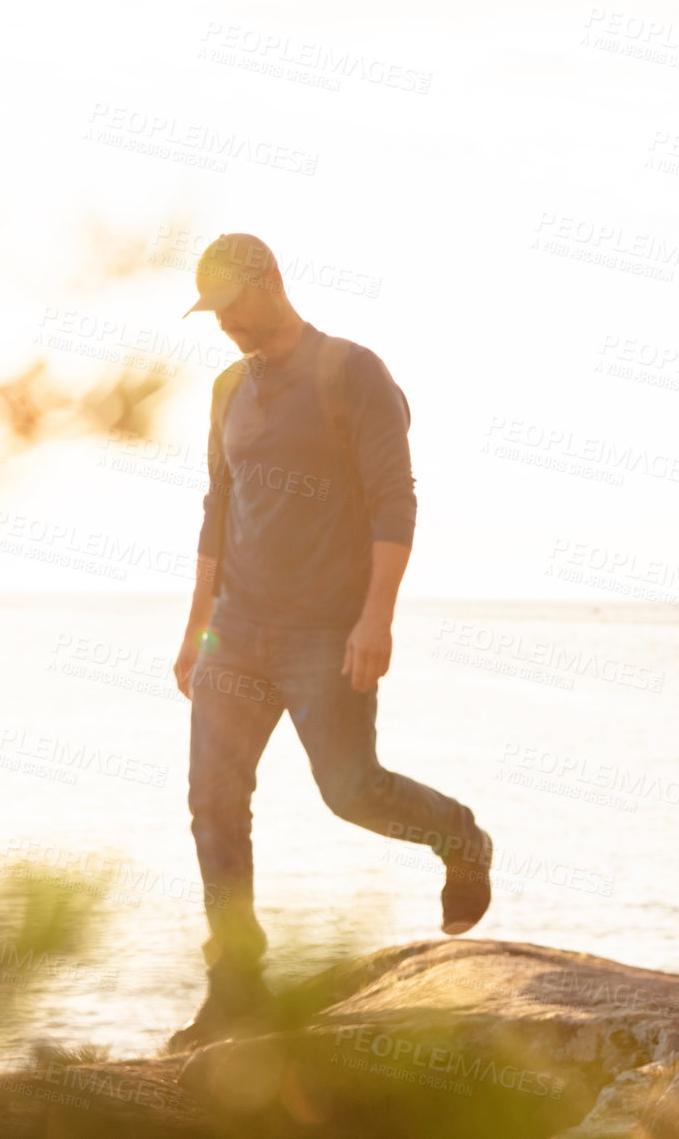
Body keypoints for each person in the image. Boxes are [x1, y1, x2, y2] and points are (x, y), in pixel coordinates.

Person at [167, 233, 493, 1053]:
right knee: (213, 804)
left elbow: (394, 502)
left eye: (234, 305)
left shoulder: (354, 373)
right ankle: (235, 989)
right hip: (236, 633)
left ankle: (460, 836)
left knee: (349, 791)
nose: (226, 325)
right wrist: (194, 629)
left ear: (272, 281)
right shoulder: (225, 389)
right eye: (213, 313)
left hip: (326, 631)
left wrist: (376, 617)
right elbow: (217, 509)